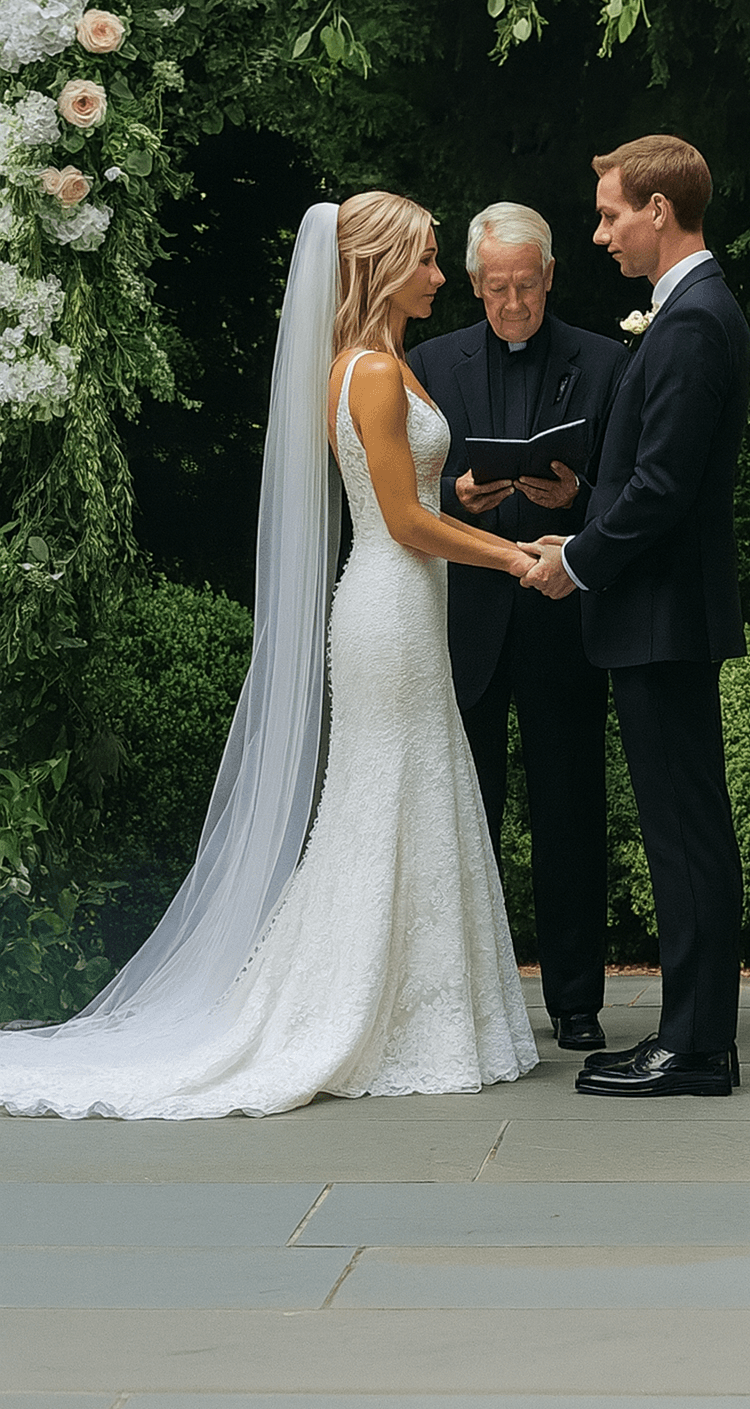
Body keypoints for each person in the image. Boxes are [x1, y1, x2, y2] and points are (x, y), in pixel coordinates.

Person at [0, 194, 538, 1120]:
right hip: (389, 602)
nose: (438, 276)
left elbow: (409, 499)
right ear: (378, 266)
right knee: (383, 797)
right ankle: (361, 1012)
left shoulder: (375, 364)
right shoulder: (374, 371)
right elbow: (402, 523)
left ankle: (413, 1010)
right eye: (424, 260)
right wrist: (517, 556)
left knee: (406, 793)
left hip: (403, 602)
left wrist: (464, 501)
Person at [520, 135, 750, 1098]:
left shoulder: (691, 321)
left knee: (685, 831)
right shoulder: (689, 310)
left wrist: (576, 561)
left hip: (662, 617)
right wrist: (581, 505)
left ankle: (693, 1048)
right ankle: (694, 1038)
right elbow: (649, 477)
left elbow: (663, 488)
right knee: (683, 826)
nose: (601, 232)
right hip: (660, 615)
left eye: (612, 214)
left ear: (660, 210)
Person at [408, 204, 627, 1050]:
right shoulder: (430, 361)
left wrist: (579, 497)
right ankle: (470, 1001)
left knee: (570, 813)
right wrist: (454, 496)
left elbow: (632, 490)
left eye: (526, 287)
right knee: (465, 817)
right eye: (497, 288)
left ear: (551, 276)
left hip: (560, 617)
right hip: (465, 616)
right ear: (474, 283)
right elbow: (399, 488)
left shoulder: (604, 361)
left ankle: (576, 1003)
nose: (512, 304)